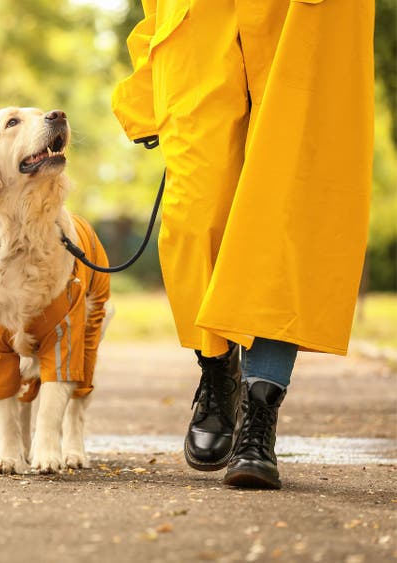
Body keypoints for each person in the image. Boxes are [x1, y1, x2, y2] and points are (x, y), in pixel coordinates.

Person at [112, 0, 374, 488]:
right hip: (197, 29)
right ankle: (217, 369)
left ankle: (259, 415)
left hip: (302, 20)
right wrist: (146, 83)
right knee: (193, 217)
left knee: (283, 222)